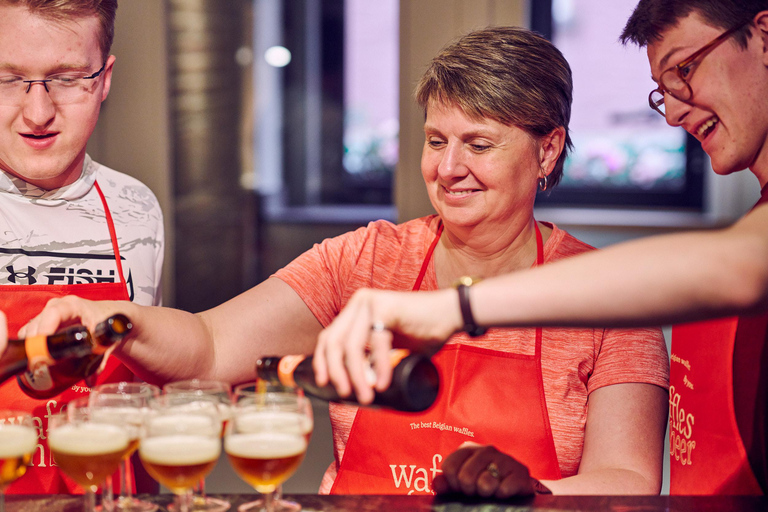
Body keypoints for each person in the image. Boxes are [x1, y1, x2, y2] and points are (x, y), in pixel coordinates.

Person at [17, 26, 668, 497]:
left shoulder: (606, 299)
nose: (448, 168)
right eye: (436, 140)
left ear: (548, 152)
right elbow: (211, 345)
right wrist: (115, 317)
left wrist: (534, 495)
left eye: (479, 144)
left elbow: (630, 481)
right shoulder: (365, 260)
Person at [313, 0, 768, 497]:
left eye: (686, 68)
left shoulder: (738, 254)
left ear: (763, 36)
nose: (675, 111)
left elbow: (732, 267)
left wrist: (455, 307)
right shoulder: (366, 252)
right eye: (664, 90)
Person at [0, 0, 163, 495]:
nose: (38, 112)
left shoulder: (137, 208)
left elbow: (142, 384)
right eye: (8, 79)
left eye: (67, 78)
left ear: (105, 78)